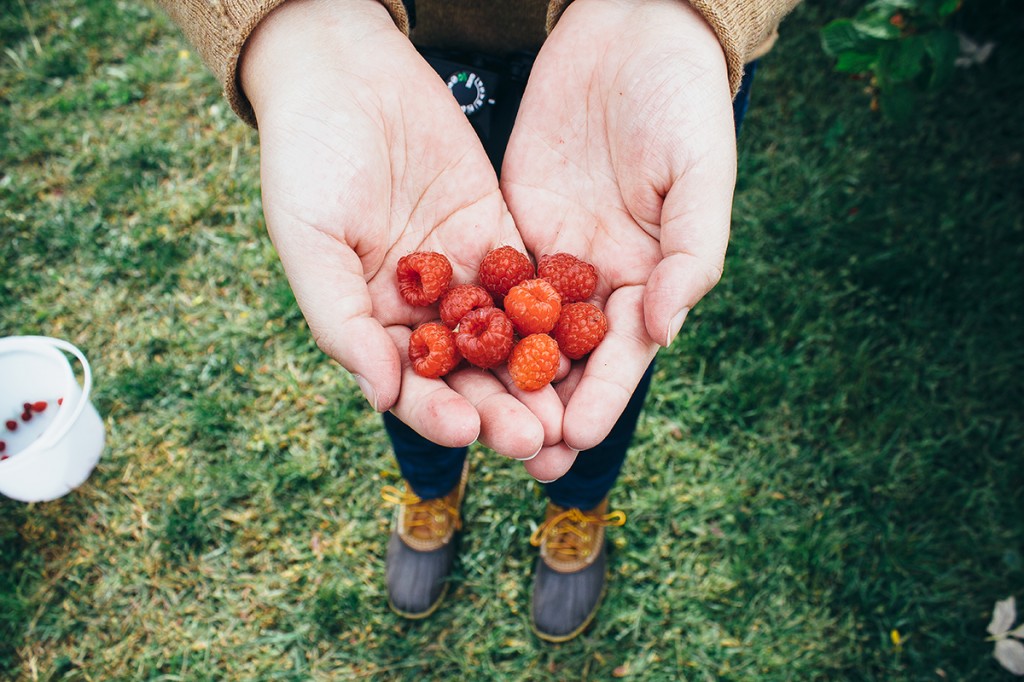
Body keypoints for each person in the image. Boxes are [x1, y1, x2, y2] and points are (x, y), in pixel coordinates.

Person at [157, 0, 798, 642]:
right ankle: (431, 488)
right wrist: (301, 28)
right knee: (402, 353)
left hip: (626, 75)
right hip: (398, 64)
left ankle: (579, 507)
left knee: (614, 355)